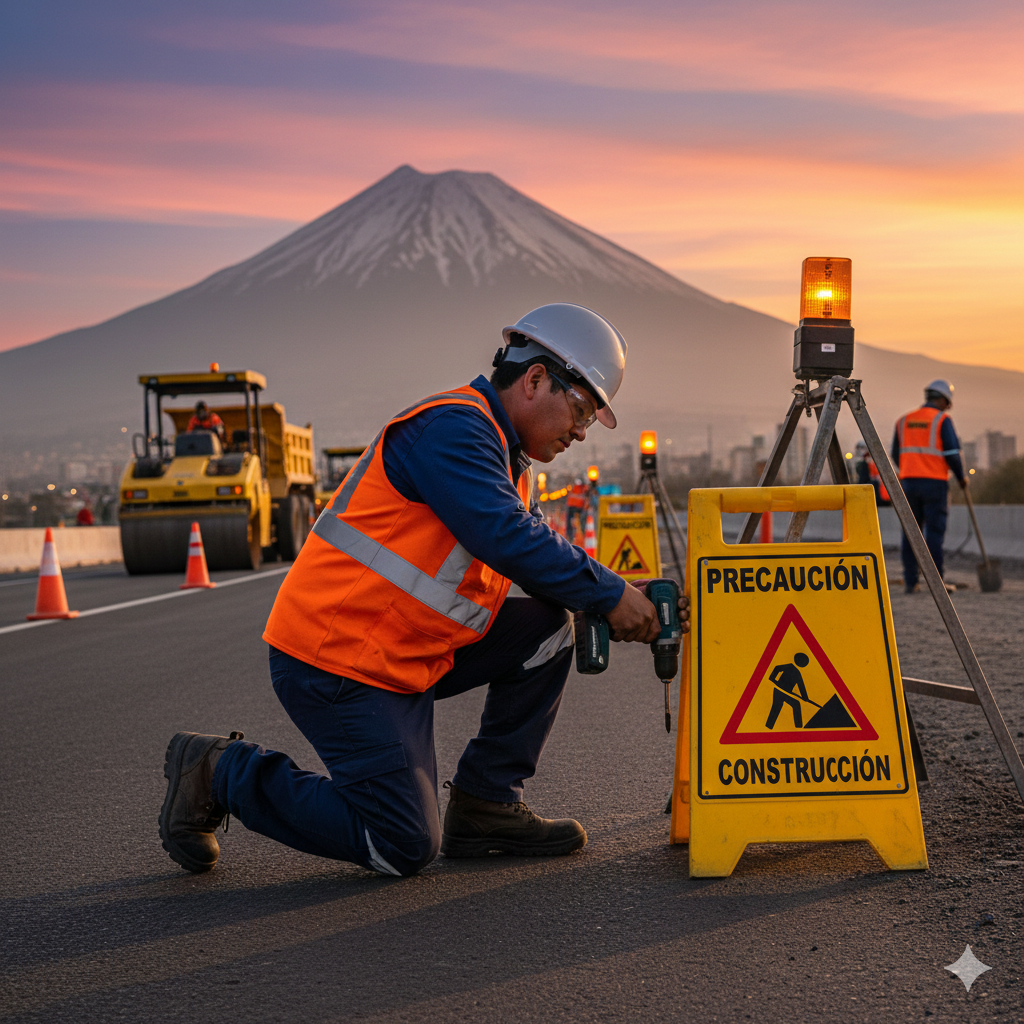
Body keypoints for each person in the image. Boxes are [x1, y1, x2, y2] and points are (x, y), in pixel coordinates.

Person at [158, 303, 691, 878]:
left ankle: (487, 804)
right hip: (337, 662)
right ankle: (219, 771)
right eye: (582, 409)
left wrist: (614, 595)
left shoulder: (504, 451)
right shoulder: (453, 428)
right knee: (400, 842)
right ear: (536, 379)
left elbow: (532, 559)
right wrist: (608, 595)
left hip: (401, 653)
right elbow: (505, 535)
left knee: (548, 627)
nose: (582, 432)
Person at [892, 379, 966, 593]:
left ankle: (910, 582)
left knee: (910, 532)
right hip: (934, 484)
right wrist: (961, 477)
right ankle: (936, 584)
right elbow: (952, 454)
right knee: (934, 532)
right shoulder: (942, 420)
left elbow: (896, 453)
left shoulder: (903, 420)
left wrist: (909, 468)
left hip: (908, 483)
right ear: (943, 400)